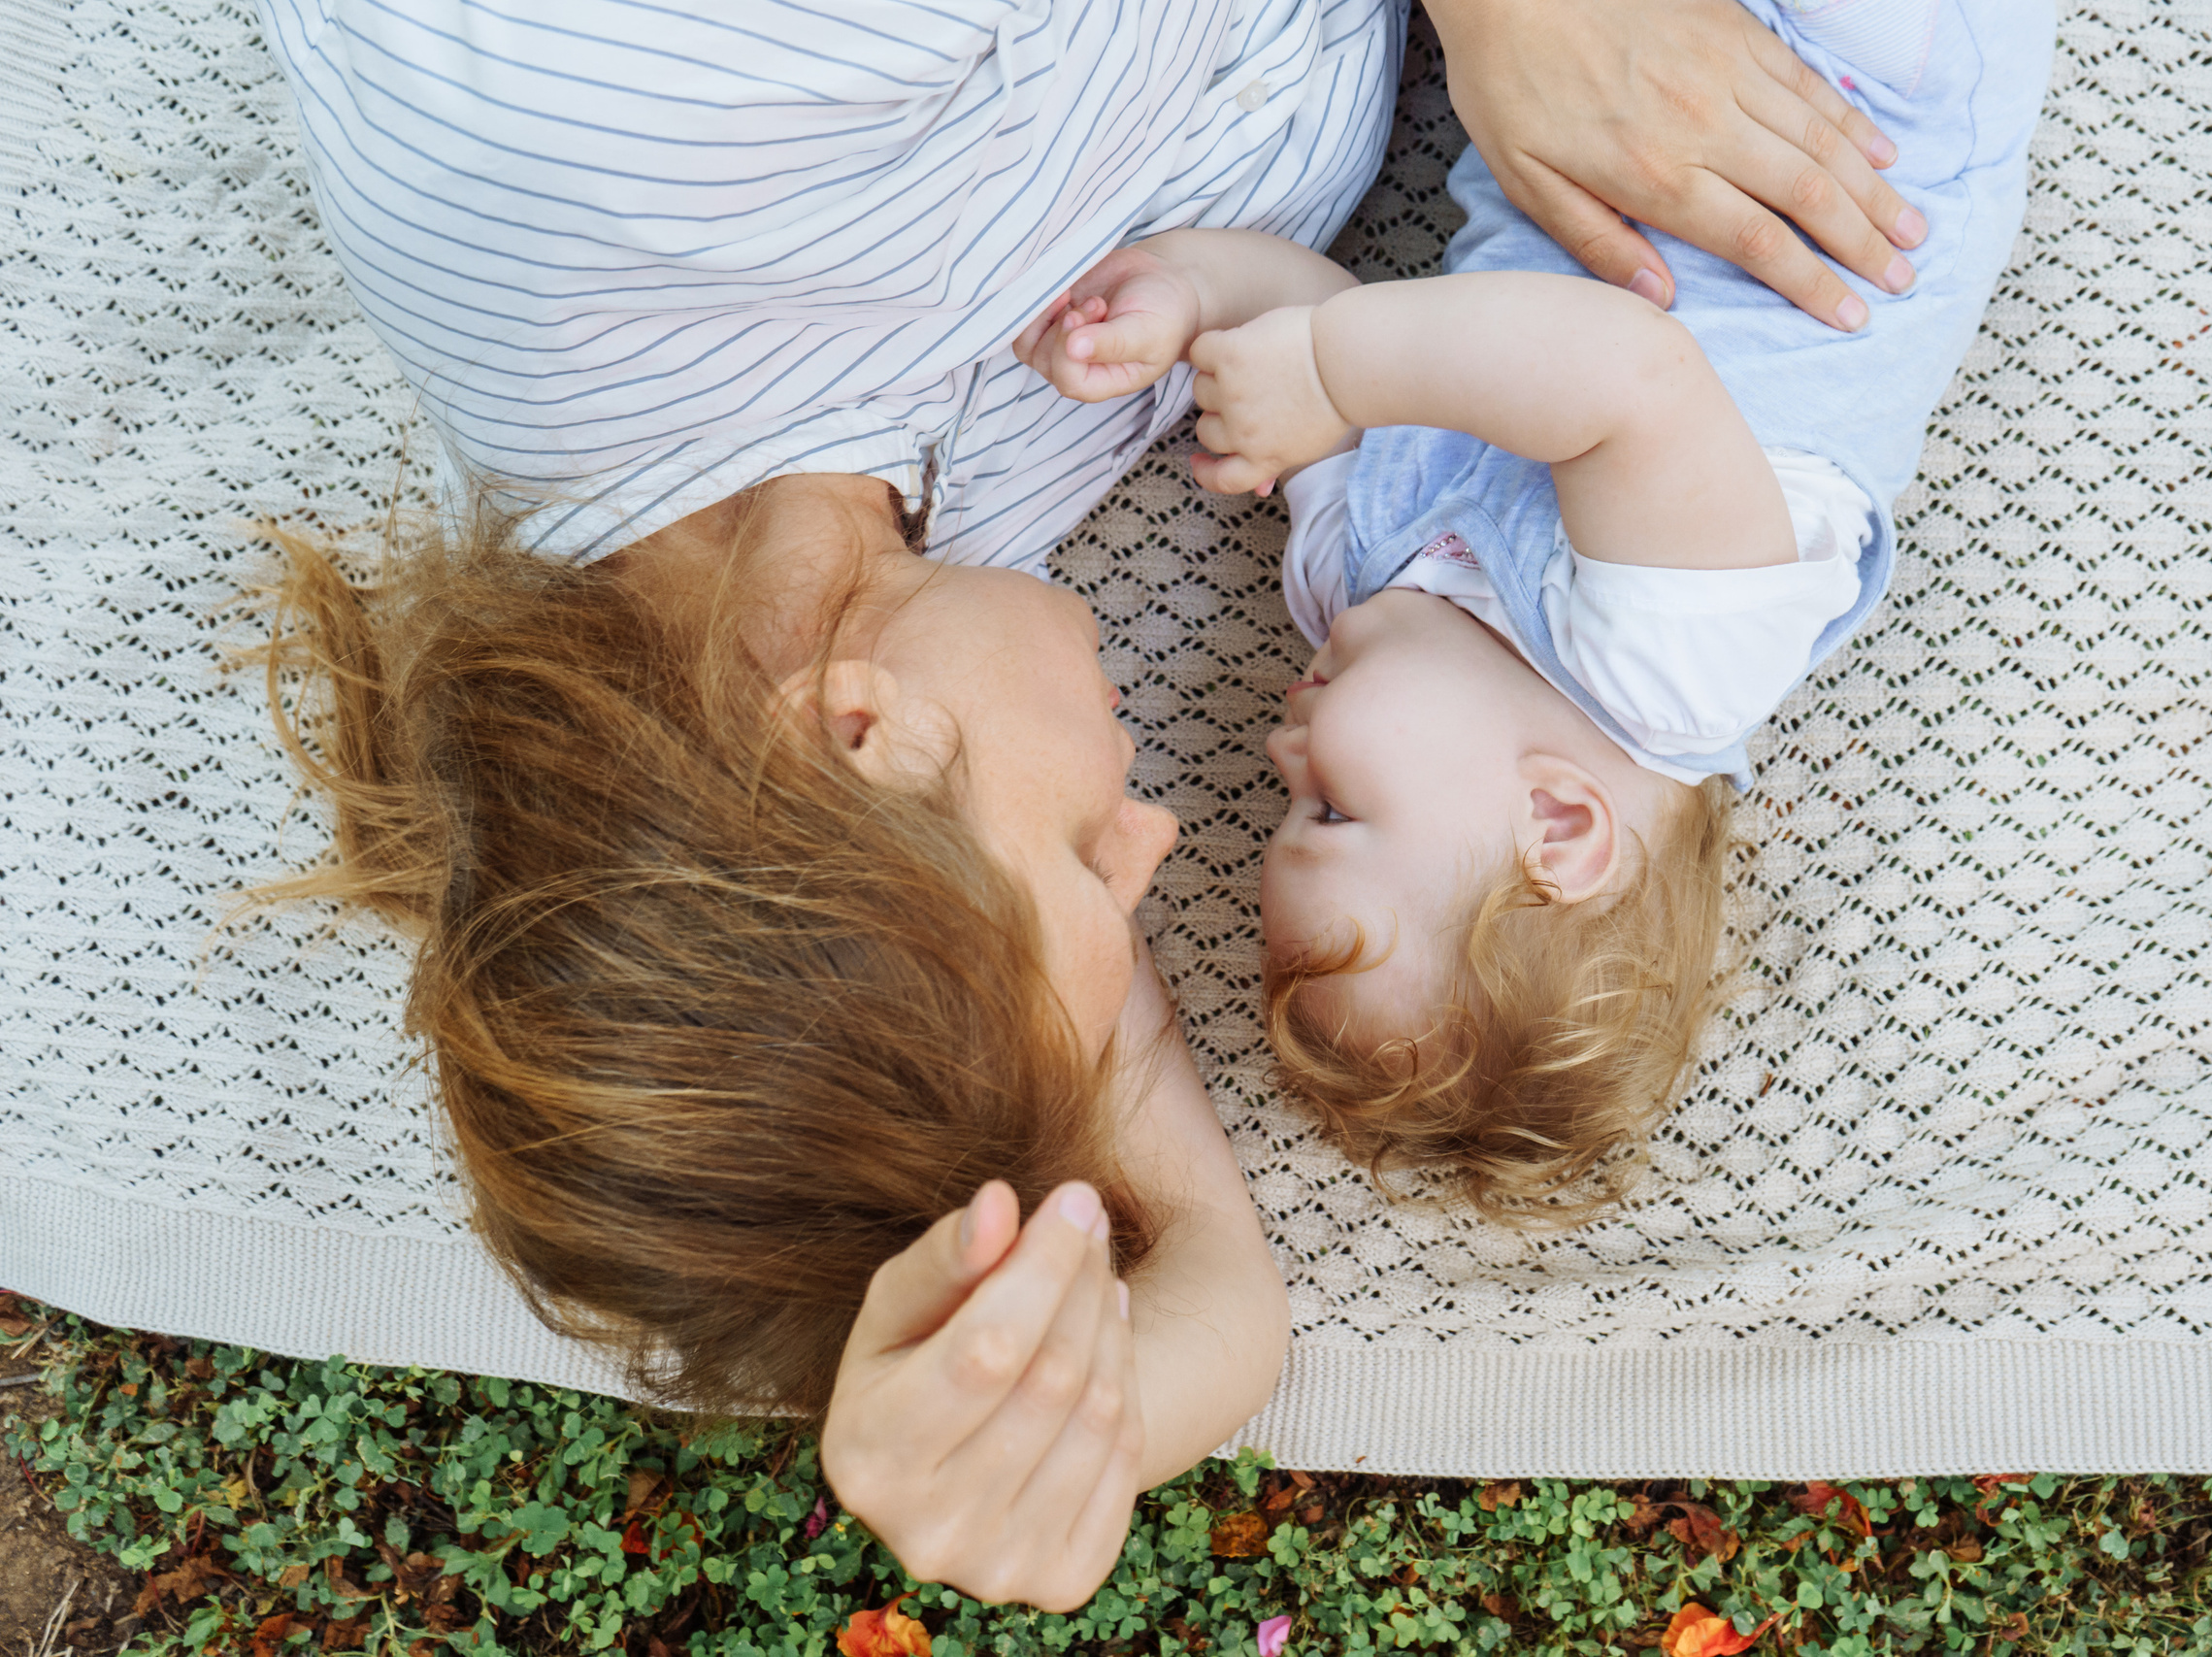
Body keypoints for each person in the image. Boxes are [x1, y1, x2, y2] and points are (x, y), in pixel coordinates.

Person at [244, 0, 1936, 1610]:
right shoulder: (870, 601)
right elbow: (1218, 1287)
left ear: (862, 731)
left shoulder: (616, 128)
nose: (1164, 844)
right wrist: (1067, 1408)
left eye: (1084, 861)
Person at [1014, 0, 2051, 1218]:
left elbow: (1296, 316)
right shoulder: (1672, 673)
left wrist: (1192, 299)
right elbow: (1623, 374)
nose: (1280, 748)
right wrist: (1329, 368)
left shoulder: (1357, 593)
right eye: (1334, 806)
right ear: (1558, 822)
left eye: (1284, 801)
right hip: (1856, 107)